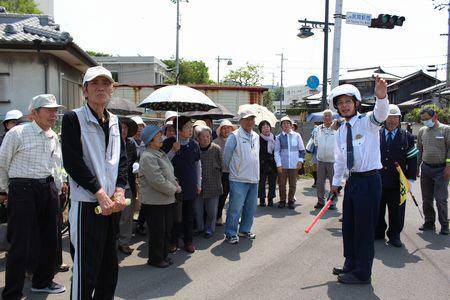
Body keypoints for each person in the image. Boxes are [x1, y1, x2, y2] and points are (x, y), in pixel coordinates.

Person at [61, 66, 128, 299]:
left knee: (109, 268)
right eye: (94, 83)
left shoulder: (116, 121)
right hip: (88, 204)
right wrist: (99, 193)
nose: (101, 87)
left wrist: (120, 189)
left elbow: (122, 161)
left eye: (106, 83)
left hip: (112, 205)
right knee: (86, 268)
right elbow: (73, 163)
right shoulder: (73, 118)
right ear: (85, 90)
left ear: (112, 89)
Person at [0, 94, 66, 299]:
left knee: (50, 239)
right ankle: (12, 292)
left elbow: (56, 164)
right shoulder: (18, 133)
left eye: (55, 110)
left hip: (48, 189)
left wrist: (60, 184)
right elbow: (2, 163)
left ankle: (42, 281)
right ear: (34, 112)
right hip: (23, 189)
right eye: (49, 110)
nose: (54, 114)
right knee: (20, 242)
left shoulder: (53, 136)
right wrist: (3, 190)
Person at [330, 77, 389, 284]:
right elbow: (339, 160)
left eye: (348, 102)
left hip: (370, 181)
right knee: (349, 226)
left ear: (356, 103)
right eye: (340, 103)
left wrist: (381, 96)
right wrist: (335, 184)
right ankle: (350, 263)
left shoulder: (368, 122)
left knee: (364, 228)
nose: (344, 106)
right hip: (353, 182)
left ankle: (363, 272)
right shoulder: (340, 131)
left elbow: (381, 114)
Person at [139, 124, 181, 268]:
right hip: (154, 201)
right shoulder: (147, 156)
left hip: (166, 199)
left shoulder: (160, 153)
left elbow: (169, 173)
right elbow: (157, 180)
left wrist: (175, 183)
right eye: (158, 136)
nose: (161, 137)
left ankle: (163, 255)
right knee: (158, 231)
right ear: (150, 140)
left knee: (166, 229)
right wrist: (174, 189)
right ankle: (156, 259)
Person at [375, 104, 418, 247]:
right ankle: (378, 231)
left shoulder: (408, 137)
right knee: (377, 209)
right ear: (384, 118)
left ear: (400, 119)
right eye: (389, 117)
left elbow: (412, 160)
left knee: (397, 211)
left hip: (397, 182)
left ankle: (395, 235)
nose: (392, 121)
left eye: (395, 118)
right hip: (378, 180)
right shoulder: (376, 134)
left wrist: (410, 180)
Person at [162, 116, 201, 253]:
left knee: (189, 216)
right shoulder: (168, 143)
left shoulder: (194, 145)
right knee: (175, 217)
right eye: (187, 127)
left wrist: (198, 183)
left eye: (191, 127)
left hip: (190, 185)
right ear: (178, 130)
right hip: (174, 186)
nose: (191, 130)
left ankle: (188, 241)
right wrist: (173, 150)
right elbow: (162, 163)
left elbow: (197, 165)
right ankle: (173, 241)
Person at [223, 110, 259, 244]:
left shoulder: (256, 136)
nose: (250, 122)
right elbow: (226, 158)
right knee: (235, 208)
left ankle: (244, 230)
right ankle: (230, 233)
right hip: (238, 179)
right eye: (247, 119)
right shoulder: (234, 136)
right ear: (241, 121)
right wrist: (234, 170)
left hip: (254, 178)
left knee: (251, 207)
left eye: (252, 119)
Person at [417, 107, 450, 235]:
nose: (425, 122)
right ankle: (429, 223)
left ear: (435, 117)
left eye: (427, 119)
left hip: (441, 169)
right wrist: (417, 167)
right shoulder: (422, 131)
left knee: (441, 198)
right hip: (426, 168)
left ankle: (444, 225)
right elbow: (419, 150)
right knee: (426, 198)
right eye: (423, 120)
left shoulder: (446, 129)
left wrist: (448, 166)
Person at [195, 125, 223, 238]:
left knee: (211, 210)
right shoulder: (195, 148)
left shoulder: (216, 149)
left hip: (213, 184)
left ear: (211, 137)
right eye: (203, 136)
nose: (205, 138)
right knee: (198, 210)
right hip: (198, 185)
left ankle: (209, 229)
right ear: (198, 138)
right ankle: (200, 227)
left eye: (208, 136)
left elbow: (221, 166)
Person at [274, 116, 305, 209]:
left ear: (291, 125)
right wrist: (278, 164)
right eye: (283, 123)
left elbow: (302, 150)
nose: (286, 125)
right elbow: (276, 151)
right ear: (281, 126)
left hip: (294, 165)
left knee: (293, 184)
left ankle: (291, 200)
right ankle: (282, 200)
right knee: (282, 184)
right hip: (282, 165)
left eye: (287, 123)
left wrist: (300, 161)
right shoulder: (278, 137)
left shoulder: (297, 135)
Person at [118, 117, 138, 255]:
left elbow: (134, 160)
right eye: (121, 127)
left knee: (128, 215)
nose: (123, 130)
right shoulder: (110, 141)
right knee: (114, 216)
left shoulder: (131, 143)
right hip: (113, 186)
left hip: (128, 184)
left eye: (125, 128)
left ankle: (124, 242)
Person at [213, 119, 236, 225]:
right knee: (222, 196)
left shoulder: (237, 140)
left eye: (228, 128)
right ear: (220, 130)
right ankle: (218, 216)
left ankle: (233, 217)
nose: (226, 130)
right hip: (222, 173)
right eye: (224, 128)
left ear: (232, 129)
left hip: (236, 172)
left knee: (236, 197)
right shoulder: (216, 142)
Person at [312, 110, 337, 209]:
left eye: (329, 116)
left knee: (333, 183)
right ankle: (320, 201)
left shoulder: (337, 128)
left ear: (332, 117)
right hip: (321, 160)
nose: (327, 117)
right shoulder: (318, 129)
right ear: (323, 118)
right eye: (325, 116)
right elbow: (316, 142)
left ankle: (332, 202)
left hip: (333, 160)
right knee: (320, 182)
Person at [130, 115, 147, 236]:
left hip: (144, 178)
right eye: (137, 127)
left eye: (141, 127)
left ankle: (140, 223)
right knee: (130, 202)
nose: (139, 130)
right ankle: (129, 225)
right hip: (130, 177)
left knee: (144, 202)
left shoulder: (146, 143)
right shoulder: (128, 142)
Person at [258, 120, 277, 207]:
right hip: (262, 164)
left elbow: (277, 151)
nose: (266, 129)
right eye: (264, 127)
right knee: (261, 182)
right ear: (260, 129)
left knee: (272, 182)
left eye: (267, 126)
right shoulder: (258, 139)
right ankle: (262, 200)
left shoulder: (275, 138)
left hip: (273, 163)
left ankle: (270, 199)